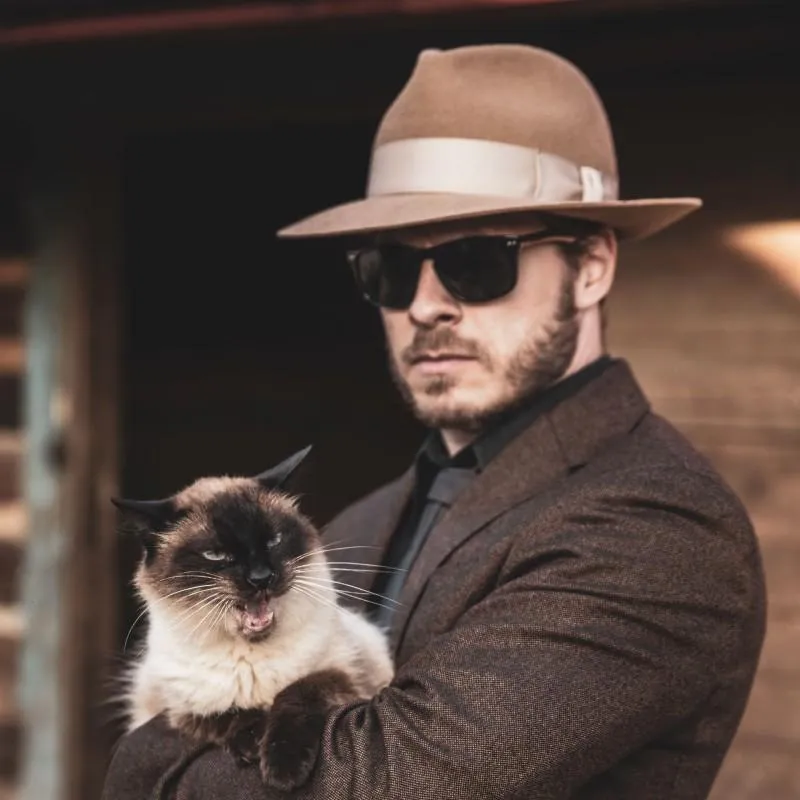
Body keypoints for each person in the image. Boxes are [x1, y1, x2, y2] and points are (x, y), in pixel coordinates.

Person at [102, 44, 765, 800]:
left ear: (591, 268)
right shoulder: (360, 520)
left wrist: (138, 761)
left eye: (476, 261)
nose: (424, 304)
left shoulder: (658, 525)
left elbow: (391, 782)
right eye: (389, 268)